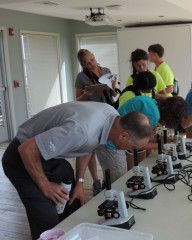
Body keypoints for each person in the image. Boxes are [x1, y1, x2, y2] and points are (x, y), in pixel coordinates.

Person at [1, 101, 152, 240]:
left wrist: (79, 183)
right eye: (134, 147)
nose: (132, 151)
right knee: (48, 222)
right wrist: (45, 185)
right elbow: (27, 149)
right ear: (124, 135)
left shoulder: (113, 118)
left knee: (73, 206)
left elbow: (88, 147)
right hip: (22, 157)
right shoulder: (81, 130)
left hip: (48, 155)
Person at [75, 49, 118, 196]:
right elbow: (77, 100)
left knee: (108, 144)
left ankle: (109, 176)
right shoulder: (81, 77)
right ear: (83, 64)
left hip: (108, 110)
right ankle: (95, 181)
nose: (91, 64)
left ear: (94, 57)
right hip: (92, 114)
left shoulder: (106, 70)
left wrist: (112, 89)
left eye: (92, 60)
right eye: (87, 63)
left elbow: (114, 94)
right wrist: (87, 94)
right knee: (91, 148)